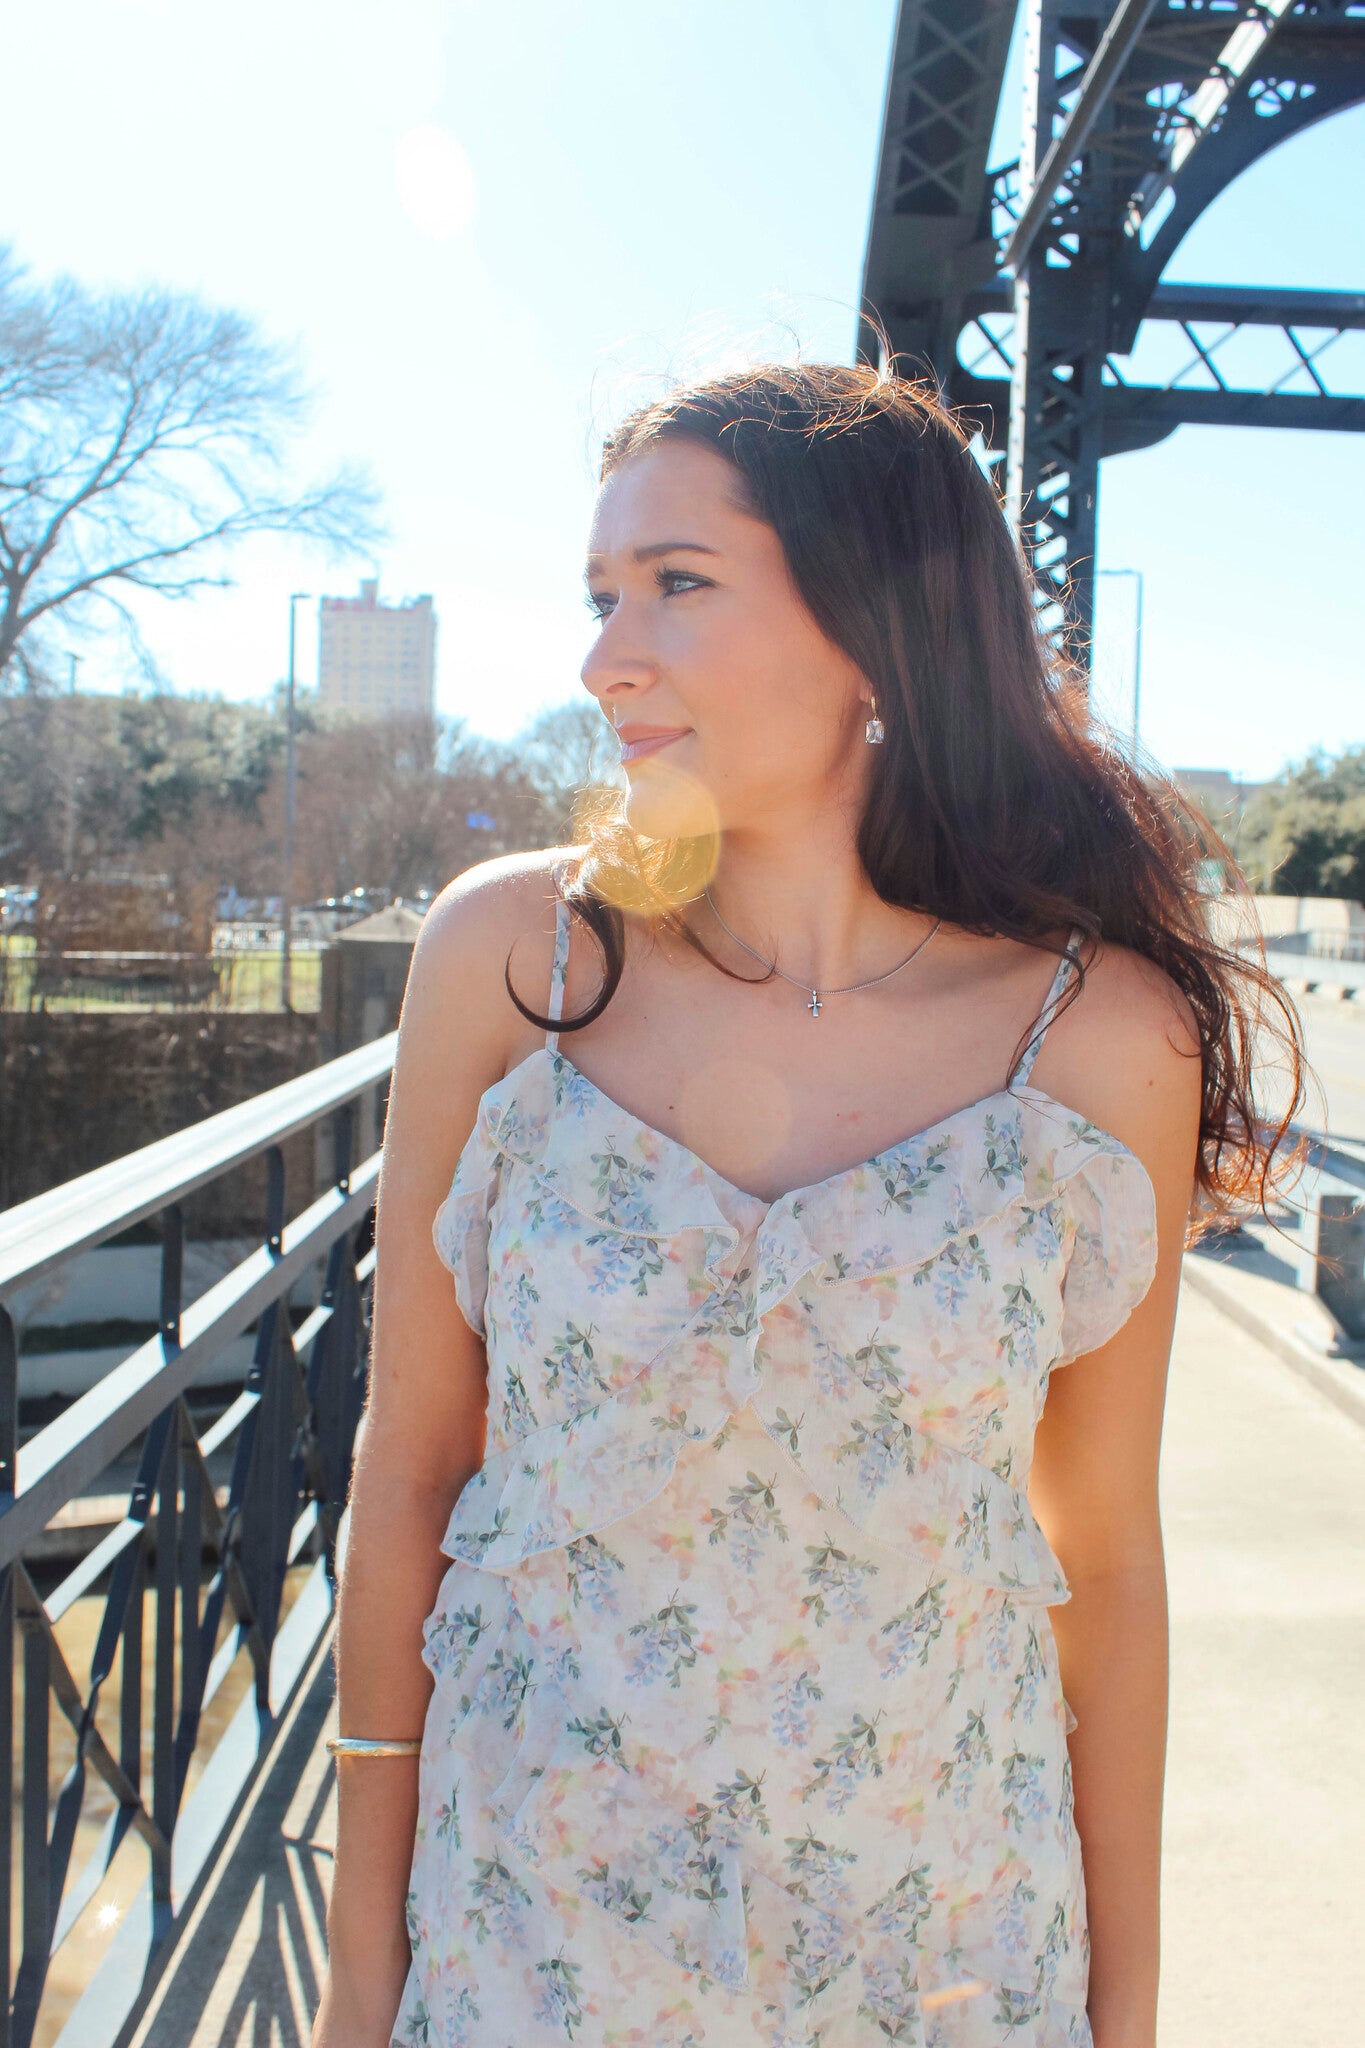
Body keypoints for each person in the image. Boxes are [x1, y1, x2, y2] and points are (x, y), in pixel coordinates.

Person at [312, 362, 1302, 2048]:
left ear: (875, 632)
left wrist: (1124, 2012)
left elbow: (1105, 1557)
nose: (604, 656)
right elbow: (406, 1473)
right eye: (601, 595)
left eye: (677, 584)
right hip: (532, 1945)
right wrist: (358, 1977)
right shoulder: (512, 959)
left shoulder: (1095, 1035)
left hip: (945, 1951)